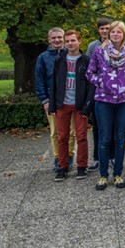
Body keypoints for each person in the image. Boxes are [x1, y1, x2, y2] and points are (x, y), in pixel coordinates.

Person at [86, 21, 125, 190]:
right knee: (104, 138)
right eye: (113, 32)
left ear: (124, 34)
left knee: (120, 138)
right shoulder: (99, 51)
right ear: (109, 34)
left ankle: (117, 174)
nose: (115, 34)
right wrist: (101, 82)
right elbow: (90, 72)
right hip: (103, 100)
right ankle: (103, 175)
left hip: (124, 100)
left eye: (119, 32)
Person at [48, 30, 94, 182]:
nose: (70, 43)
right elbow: (54, 83)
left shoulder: (86, 60)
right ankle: (63, 167)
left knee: (81, 136)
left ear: (79, 41)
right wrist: (52, 106)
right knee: (62, 137)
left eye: (73, 40)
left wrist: (88, 105)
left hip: (79, 105)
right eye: (67, 41)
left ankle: (82, 166)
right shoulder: (59, 60)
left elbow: (91, 85)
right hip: (62, 104)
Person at [35, 27, 75, 172]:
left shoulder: (72, 54)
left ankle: (69, 157)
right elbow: (39, 80)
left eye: (59, 37)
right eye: (54, 38)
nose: (57, 40)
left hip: (70, 99)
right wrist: (45, 100)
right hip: (52, 100)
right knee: (55, 132)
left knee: (71, 132)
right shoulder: (43, 58)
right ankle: (58, 158)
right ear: (49, 39)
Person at [85, 17, 113, 172]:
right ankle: (97, 157)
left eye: (107, 28)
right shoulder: (93, 46)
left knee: (114, 127)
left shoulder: (119, 45)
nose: (105, 31)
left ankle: (112, 156)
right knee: (98, 127)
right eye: (102, 28)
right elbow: (90, 68)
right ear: (98, 30)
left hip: (114, 92)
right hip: (98, 91)